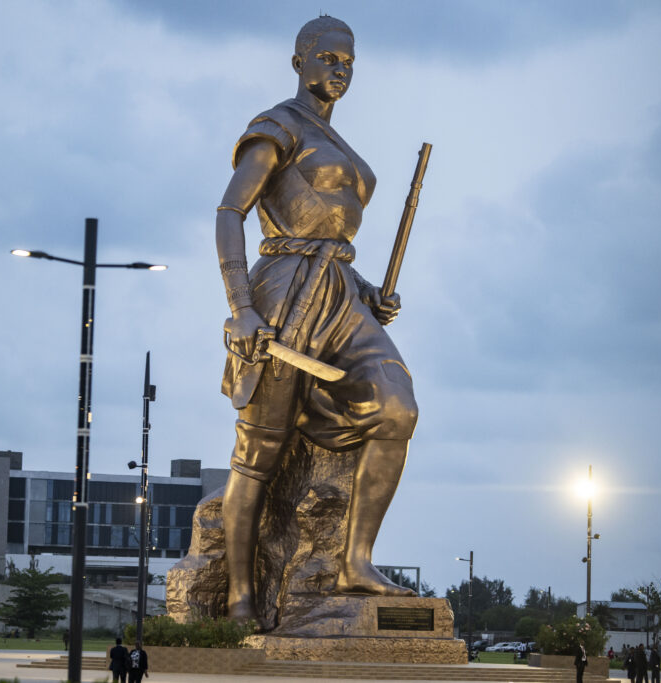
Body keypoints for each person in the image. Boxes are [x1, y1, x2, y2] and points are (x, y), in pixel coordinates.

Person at [217, 15, 418, 623]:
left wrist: (365, 291)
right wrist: (241, 309)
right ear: (300, 59)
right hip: (282, 296)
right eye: (328, 57)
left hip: (340, 293)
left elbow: (332, 238)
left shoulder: (344, 146)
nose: (339, 69)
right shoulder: (277, 126)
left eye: (349, 62)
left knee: (396, 406)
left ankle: (357, 561)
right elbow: (231, 212)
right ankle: (238, 596)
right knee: (261, 451)